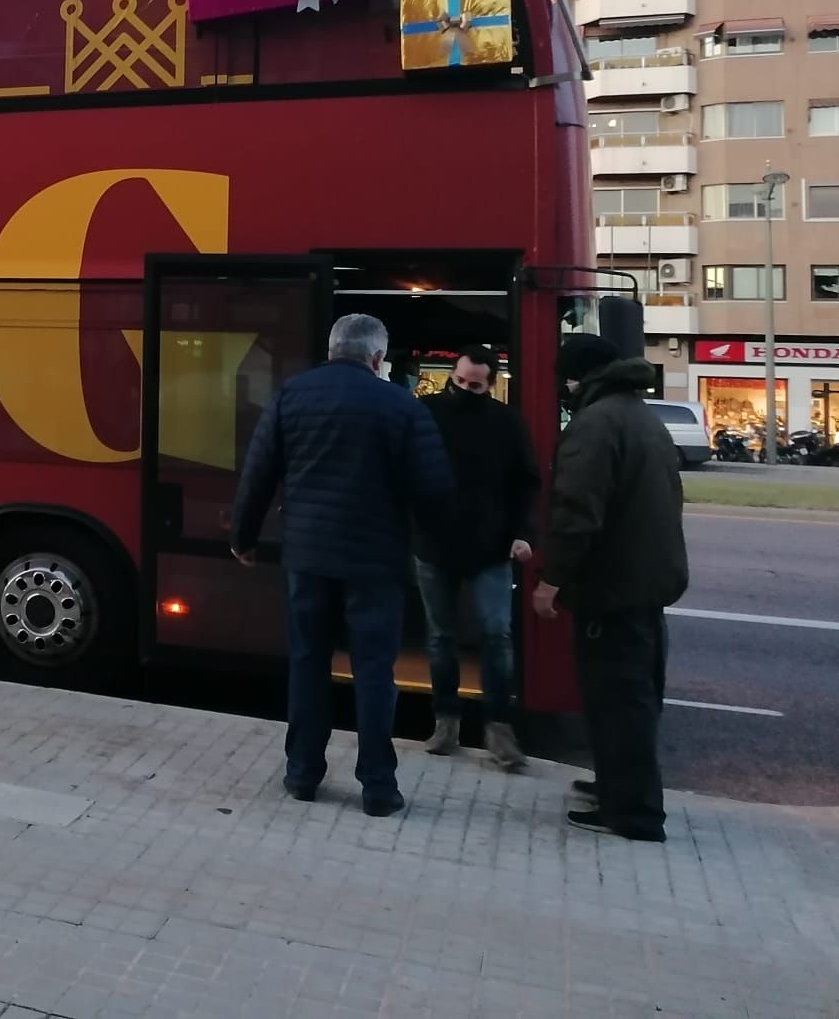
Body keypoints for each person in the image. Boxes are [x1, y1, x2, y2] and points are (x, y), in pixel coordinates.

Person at [231, 313, 454, 817]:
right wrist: (435, 548)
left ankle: (303, 774)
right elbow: (436, 491)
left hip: (307, 557)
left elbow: (259, 473)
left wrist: (243, 538)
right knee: (375, 671)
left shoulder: (292, 395)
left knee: (308, 662)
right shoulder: (402, 405)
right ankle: (377, 785)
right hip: (376, 561)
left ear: (332, 350)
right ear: (378, 358)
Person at [535, 334, 688, 843]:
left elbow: (576, 514)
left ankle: (633, 814)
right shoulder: (642, 418)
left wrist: (550, 580)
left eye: (565, 377)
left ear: (580, 377)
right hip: (644, 585)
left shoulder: (595, 425)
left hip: (613, 588)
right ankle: (617, 787)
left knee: (618, 703)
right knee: (635, 699)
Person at [414, 346, 541, 768]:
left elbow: (526, 482)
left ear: (490, 383)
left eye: (474, 385)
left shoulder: (505, 422)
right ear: (452, 373)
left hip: (488, 545)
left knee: (495, 633)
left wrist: (523, 533)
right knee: (441, 636)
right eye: (460, 381)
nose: (465, 389)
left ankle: (497, 727)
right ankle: (447, 721)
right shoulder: (427, 412)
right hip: (437, 542)